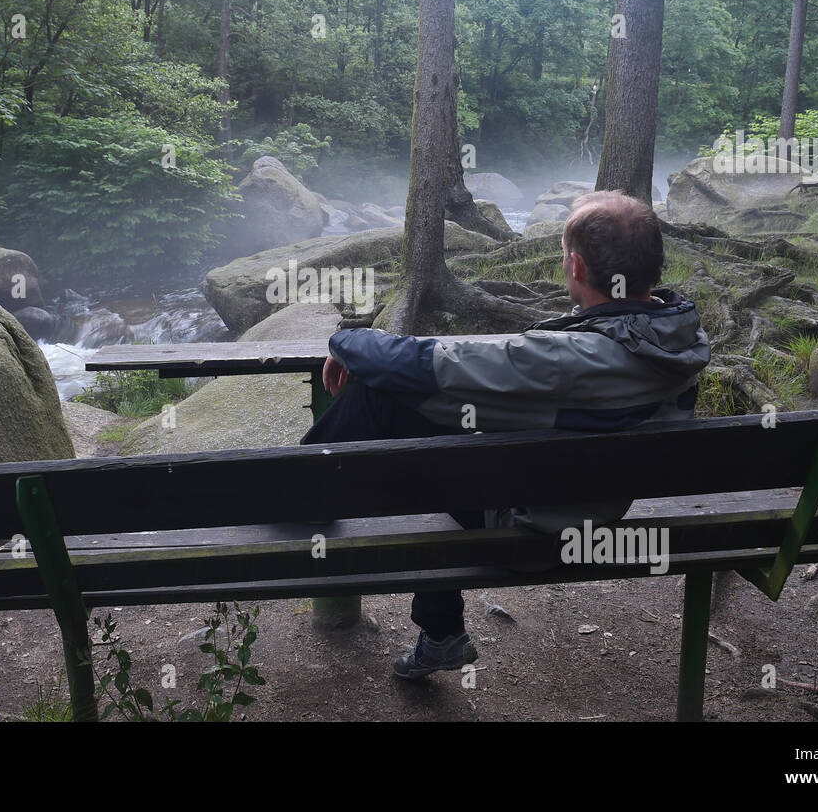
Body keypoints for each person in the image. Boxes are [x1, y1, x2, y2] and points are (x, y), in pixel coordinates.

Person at [299, 190, 711, 679]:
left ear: (575, 267)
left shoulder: (563, 360)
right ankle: (440, 633)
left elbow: (425, 368)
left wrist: (347, 339)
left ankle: (295, 494)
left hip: (532, 528)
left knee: (381, 399)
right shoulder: (683, 342)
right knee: (453, 430)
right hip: (589, 509)